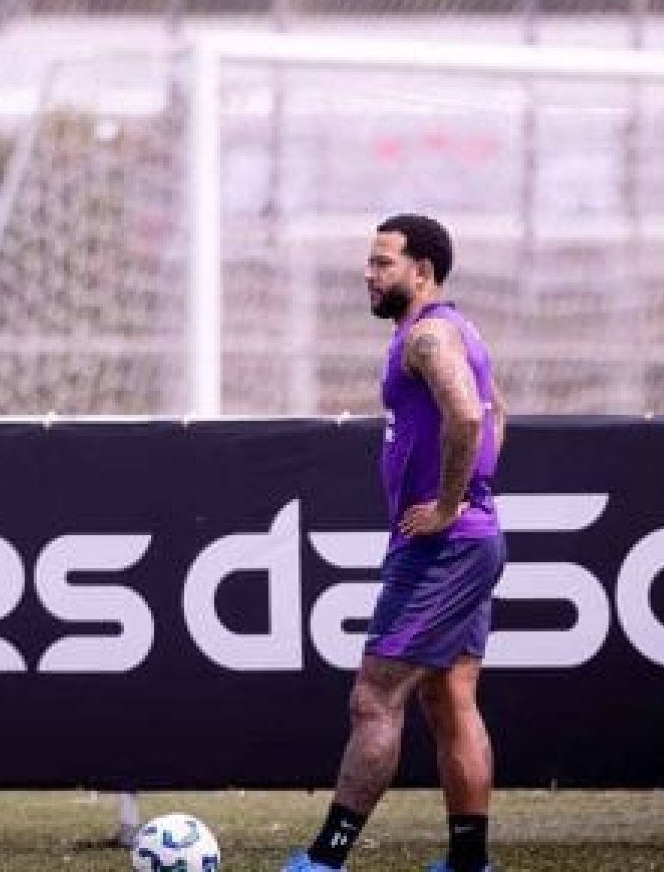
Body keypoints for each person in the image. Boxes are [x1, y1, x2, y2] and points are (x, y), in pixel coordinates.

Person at [284, 213, 508, 872]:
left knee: (374, 696)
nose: (369, 272)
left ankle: (325, 859)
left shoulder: (430, 335)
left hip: (444, 547)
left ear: (422, 272)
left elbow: (470, 413)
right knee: (448, 695)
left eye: (382, 262)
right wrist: (476, 496)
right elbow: (497, 413)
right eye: (371, 260)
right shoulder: (456, 328)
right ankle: (468, 862)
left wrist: (446, 505)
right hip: (472, 539)